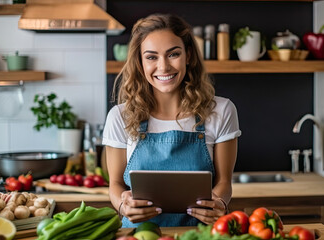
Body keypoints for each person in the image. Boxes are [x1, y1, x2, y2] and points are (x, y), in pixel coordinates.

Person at [103, 13, 241, 227]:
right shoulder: (120, 116)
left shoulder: (221, 111)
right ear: (140, 62)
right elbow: (115, 185)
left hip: (199, 233)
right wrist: (123, 206)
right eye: (151, 57)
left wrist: (219, 203)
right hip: (139, 234)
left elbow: (224, 182)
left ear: (189, 56)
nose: (164, 66)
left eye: (173, 54)